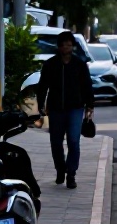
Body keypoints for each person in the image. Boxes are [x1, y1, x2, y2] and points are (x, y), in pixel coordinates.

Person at [35, 31, 94, 189]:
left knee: (74, 141)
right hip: (55, 109)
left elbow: (87, 86)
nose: (66, 47)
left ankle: (71, 174)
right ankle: (60, 170)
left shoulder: (79, 64)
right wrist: (41, 104)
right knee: (56, 142)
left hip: (75, 108)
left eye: (69, 44)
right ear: (59, 46)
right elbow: (42, 86)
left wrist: (90, 106)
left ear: (73, 46)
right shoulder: (50, 64)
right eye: (63, 44)